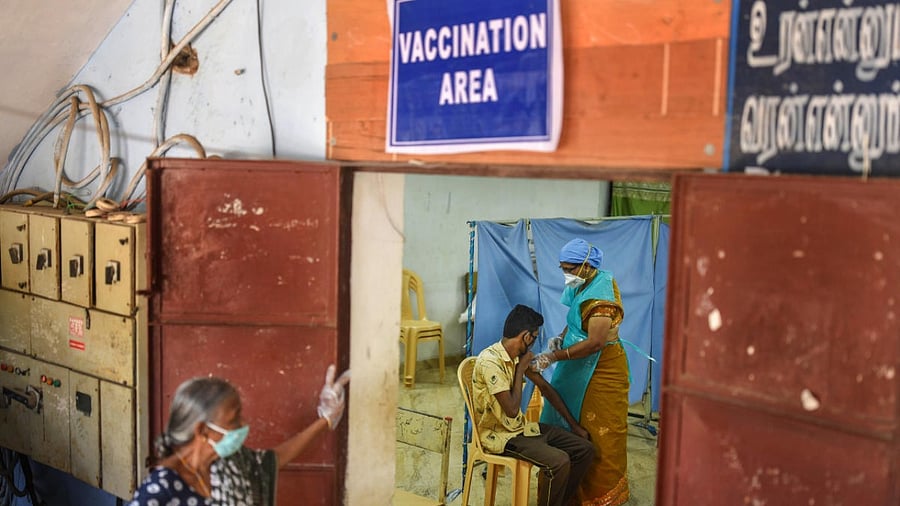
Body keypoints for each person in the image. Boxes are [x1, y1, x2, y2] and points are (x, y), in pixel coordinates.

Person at [127, 365, 350, 506]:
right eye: (234, 420)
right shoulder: (161, 489)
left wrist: (326, 419)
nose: (243, 425)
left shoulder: (226, 463)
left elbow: (274, 460)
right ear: (203, 430)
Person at [530, 238, 631, 505]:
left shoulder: (601, 298)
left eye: (570, 268)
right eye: (562, 268)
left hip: (602, 369)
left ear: (587, 266)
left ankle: (598, 495)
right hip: (576, 361)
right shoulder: (582, 284)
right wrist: (561, 338)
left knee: (600, 430)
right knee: (568, 420)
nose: (566, 274)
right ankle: (565, 487)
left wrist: (554, 356)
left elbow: (596, 342)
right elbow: (574, 320)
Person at [472, 304, 594, 506]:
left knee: (584, 448)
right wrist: (520, 369)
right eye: (535, 337)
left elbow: (546, 389)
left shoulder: (517, 357)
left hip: (521, 430)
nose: (534, 343)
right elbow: (511, 411)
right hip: (500, 437)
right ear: (526, 336)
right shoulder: (490, 362)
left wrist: (574, 426)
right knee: (559, 461)